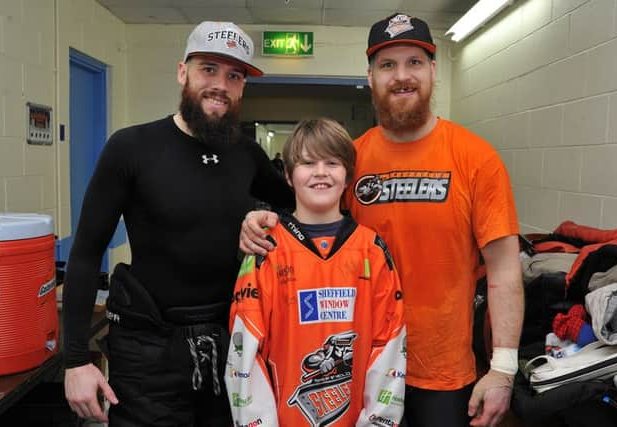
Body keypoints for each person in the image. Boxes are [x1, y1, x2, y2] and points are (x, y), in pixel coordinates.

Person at [239, 13, 524, 427]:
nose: (401, 76)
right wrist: (260, 220)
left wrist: (503, 367)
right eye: (387, 65)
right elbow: (310, 227)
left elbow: (504, 269)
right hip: (359, 369)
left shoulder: (476, 158)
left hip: (440, 372)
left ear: (432, 71)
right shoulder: (349, 161)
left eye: (414, 62)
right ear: (370, 77)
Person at [61, 21, 293, 426]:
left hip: (230, 344)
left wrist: (267, 218)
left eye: (234, 76)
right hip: (147, 352)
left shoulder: (246, 155)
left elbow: (299, 211)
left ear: (242, 88)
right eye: (209, 69)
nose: (221, 84)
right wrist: (76, 360)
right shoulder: (131, 147)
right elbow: (84, 254)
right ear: (182, 72)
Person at [225, 118, 406, 427]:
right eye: (308, 163)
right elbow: (245, 353)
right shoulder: (265, 249)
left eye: (332, 163)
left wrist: (377, 421)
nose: (320, 172)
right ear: (288, 175)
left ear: (348, 174)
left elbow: (389, 344)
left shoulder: (372, 250)